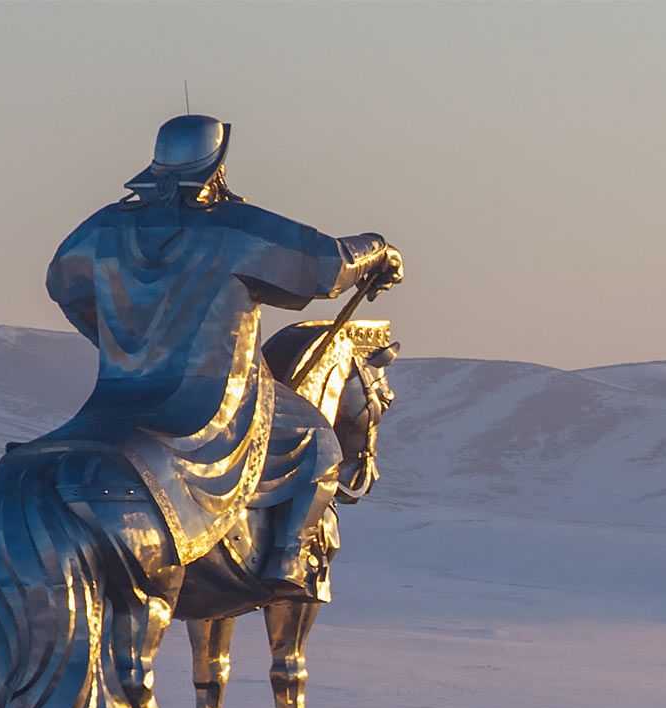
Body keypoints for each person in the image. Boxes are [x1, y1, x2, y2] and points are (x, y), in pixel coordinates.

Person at [43, 114, 403, 596]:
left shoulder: (104, 228)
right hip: (212, 402)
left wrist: (120, 342)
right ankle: (287, 560)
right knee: (320, 443)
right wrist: (377, 251)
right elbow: (327, 264)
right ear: (216, 168)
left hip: (115, 401)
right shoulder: (234, 228)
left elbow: (62, 283)